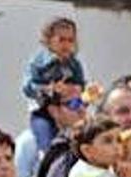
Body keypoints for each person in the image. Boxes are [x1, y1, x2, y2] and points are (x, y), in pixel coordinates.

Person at [22, 17, 86, 154]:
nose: (66, 44)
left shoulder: (74, 64)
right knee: (46, 145)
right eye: (61, 40)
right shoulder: (38, 62)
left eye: (70, 40)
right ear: (49, 40)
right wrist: (48, 89)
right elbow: (27, 86)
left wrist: (75, 89)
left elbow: (81, 84)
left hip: (70, 109)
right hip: (44, 111)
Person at [32, 87, 88, 177]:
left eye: (83, 102)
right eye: (74, 104)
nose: (82, 109)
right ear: (54, 111)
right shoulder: (65, 150)